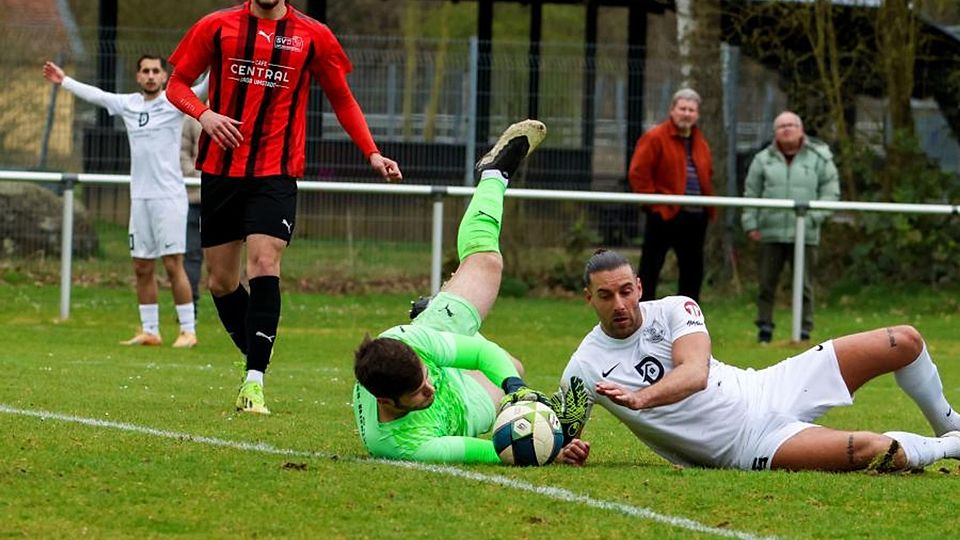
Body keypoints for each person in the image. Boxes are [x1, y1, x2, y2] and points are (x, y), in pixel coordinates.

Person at [166, 0, 402, 415]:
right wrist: (204, 115)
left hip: (276, 172)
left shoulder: (313, 36)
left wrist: (372, 153)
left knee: (263, 263)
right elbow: (176, 85)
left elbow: (342, 99)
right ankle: (259, 347)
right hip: (221, 171)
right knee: (221, 282)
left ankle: (254, 381)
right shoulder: (217, 26)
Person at [553, 249, 960, 473]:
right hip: (748, 445)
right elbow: (556, 435)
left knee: (903, 340)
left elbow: (695, 373)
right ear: (589, 298)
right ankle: (948, 448)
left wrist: (641, 400)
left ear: (639, 287)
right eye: (606, 296)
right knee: (878, 450)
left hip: (768, 385)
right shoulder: (584, 367)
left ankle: (950, 425)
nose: (620, 304)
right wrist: (565, 450)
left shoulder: (677, 307)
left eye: (626, 291)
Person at [353, 120, 549, 463]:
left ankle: (494, 174)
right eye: (418, 393)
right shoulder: (404, 445)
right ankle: (444, 308)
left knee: (487, 262)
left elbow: (477, 356)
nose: (430, 388)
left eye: (424, 379)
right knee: (514, 366)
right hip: (464, 407)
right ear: (386, 402)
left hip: (433, 334)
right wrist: (550, 445)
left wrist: (515, 392)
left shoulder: (407, 341)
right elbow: (494, 452)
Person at [43, 56, 205, 349]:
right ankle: (151, 331)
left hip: (169, 197)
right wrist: (63, 80)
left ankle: (188, 330)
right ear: (138, 76)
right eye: (145, 71)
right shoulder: (129, 104)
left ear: (165, 76)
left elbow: (204, 89)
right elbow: (98, 95)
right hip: (139, 198)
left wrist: (220, 61)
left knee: (172, 265)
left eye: (156, 71)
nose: (151, 76)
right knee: (142, 266)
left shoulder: (174, 102)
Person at [741, 112, 840, 343]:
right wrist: (750, 223)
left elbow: (831, 193)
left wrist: (812, 219)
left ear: (801, 129)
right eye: (781, 126)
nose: (787, 129)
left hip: (805, 234)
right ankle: (764, 329)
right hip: (770, 232)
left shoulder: (820, 157)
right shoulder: (762, 159)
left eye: (792, 125)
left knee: (804, 285)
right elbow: (751, 192)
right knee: (766, 284)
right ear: (775, 132)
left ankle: (804, 331)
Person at [628, 88, 714, 303]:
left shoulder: (700, 142)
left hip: (695, 216)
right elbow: (638, 173)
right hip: (665, 213)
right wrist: (655, 205)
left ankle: (687, 318)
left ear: (697, 114)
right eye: (682, 108)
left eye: (691, 110)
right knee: (651, 266)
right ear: (672, 110)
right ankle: (644, 313)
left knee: (692, 270)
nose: (687, 114)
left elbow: (707, 174)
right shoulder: (655, 137)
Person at [180, 113, 203, 317]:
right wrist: (197, 174)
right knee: (191, 255)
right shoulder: (192, 116)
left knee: (227, 262)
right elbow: (182, 153)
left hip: (228, 199)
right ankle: (189, 308)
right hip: (195, 197)